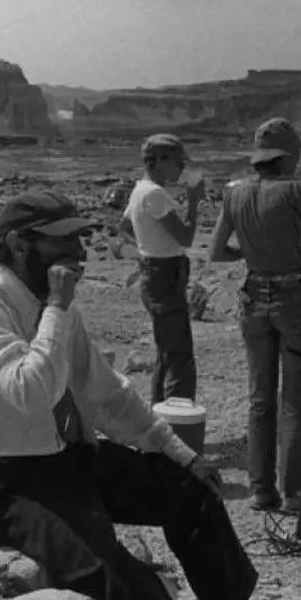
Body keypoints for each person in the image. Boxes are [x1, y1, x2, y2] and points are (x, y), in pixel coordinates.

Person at [0, 190, 301, 600]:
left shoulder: (56, 310)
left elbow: (104, 394)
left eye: (80, 238)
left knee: (190, 491)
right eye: (62, 241)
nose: (80, 252)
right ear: (17, 244)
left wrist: (176, 452)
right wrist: (56, 308)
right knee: (112, 569)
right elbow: (30, 392)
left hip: (59, 460)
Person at [209, 118, 301, 514]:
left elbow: (216, 252)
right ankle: (292, 493)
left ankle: (261, 491)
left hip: (252, 294)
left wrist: (251, 255)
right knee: (295, 399)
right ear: (289, 155)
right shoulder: (298, 188)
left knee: (260, 396)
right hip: (293, 296)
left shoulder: (234, 192)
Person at [118, 134, 205, 404]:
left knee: (167, 352)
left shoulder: (140, 190)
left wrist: (145, 250)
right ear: (160, 161)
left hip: (156, 272)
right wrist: (194, 201)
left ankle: (159, 414)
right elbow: (185, 238)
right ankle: (178, 423)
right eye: (178, 161)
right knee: (179, 356)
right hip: (166, 274)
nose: (180, 168)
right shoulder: (155, 194)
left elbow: (124, 227)